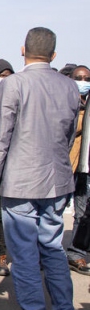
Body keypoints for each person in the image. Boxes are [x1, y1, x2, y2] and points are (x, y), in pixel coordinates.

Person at [0, 27, 80, 310]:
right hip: (57, 180)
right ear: (53, 55)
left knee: (24, 253)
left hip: (21, 182)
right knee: (52, 248)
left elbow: (0, 137)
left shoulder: (14, 84)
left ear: (22, 50)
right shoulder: (69, 87)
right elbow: (68, 136)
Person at [66, 65, 90, 275]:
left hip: (84, 167)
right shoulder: (65, 101)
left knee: (83, 214)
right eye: (79, 78)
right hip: (66, 165)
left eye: (86, 78)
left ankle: (77, 253)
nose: (83, 82)